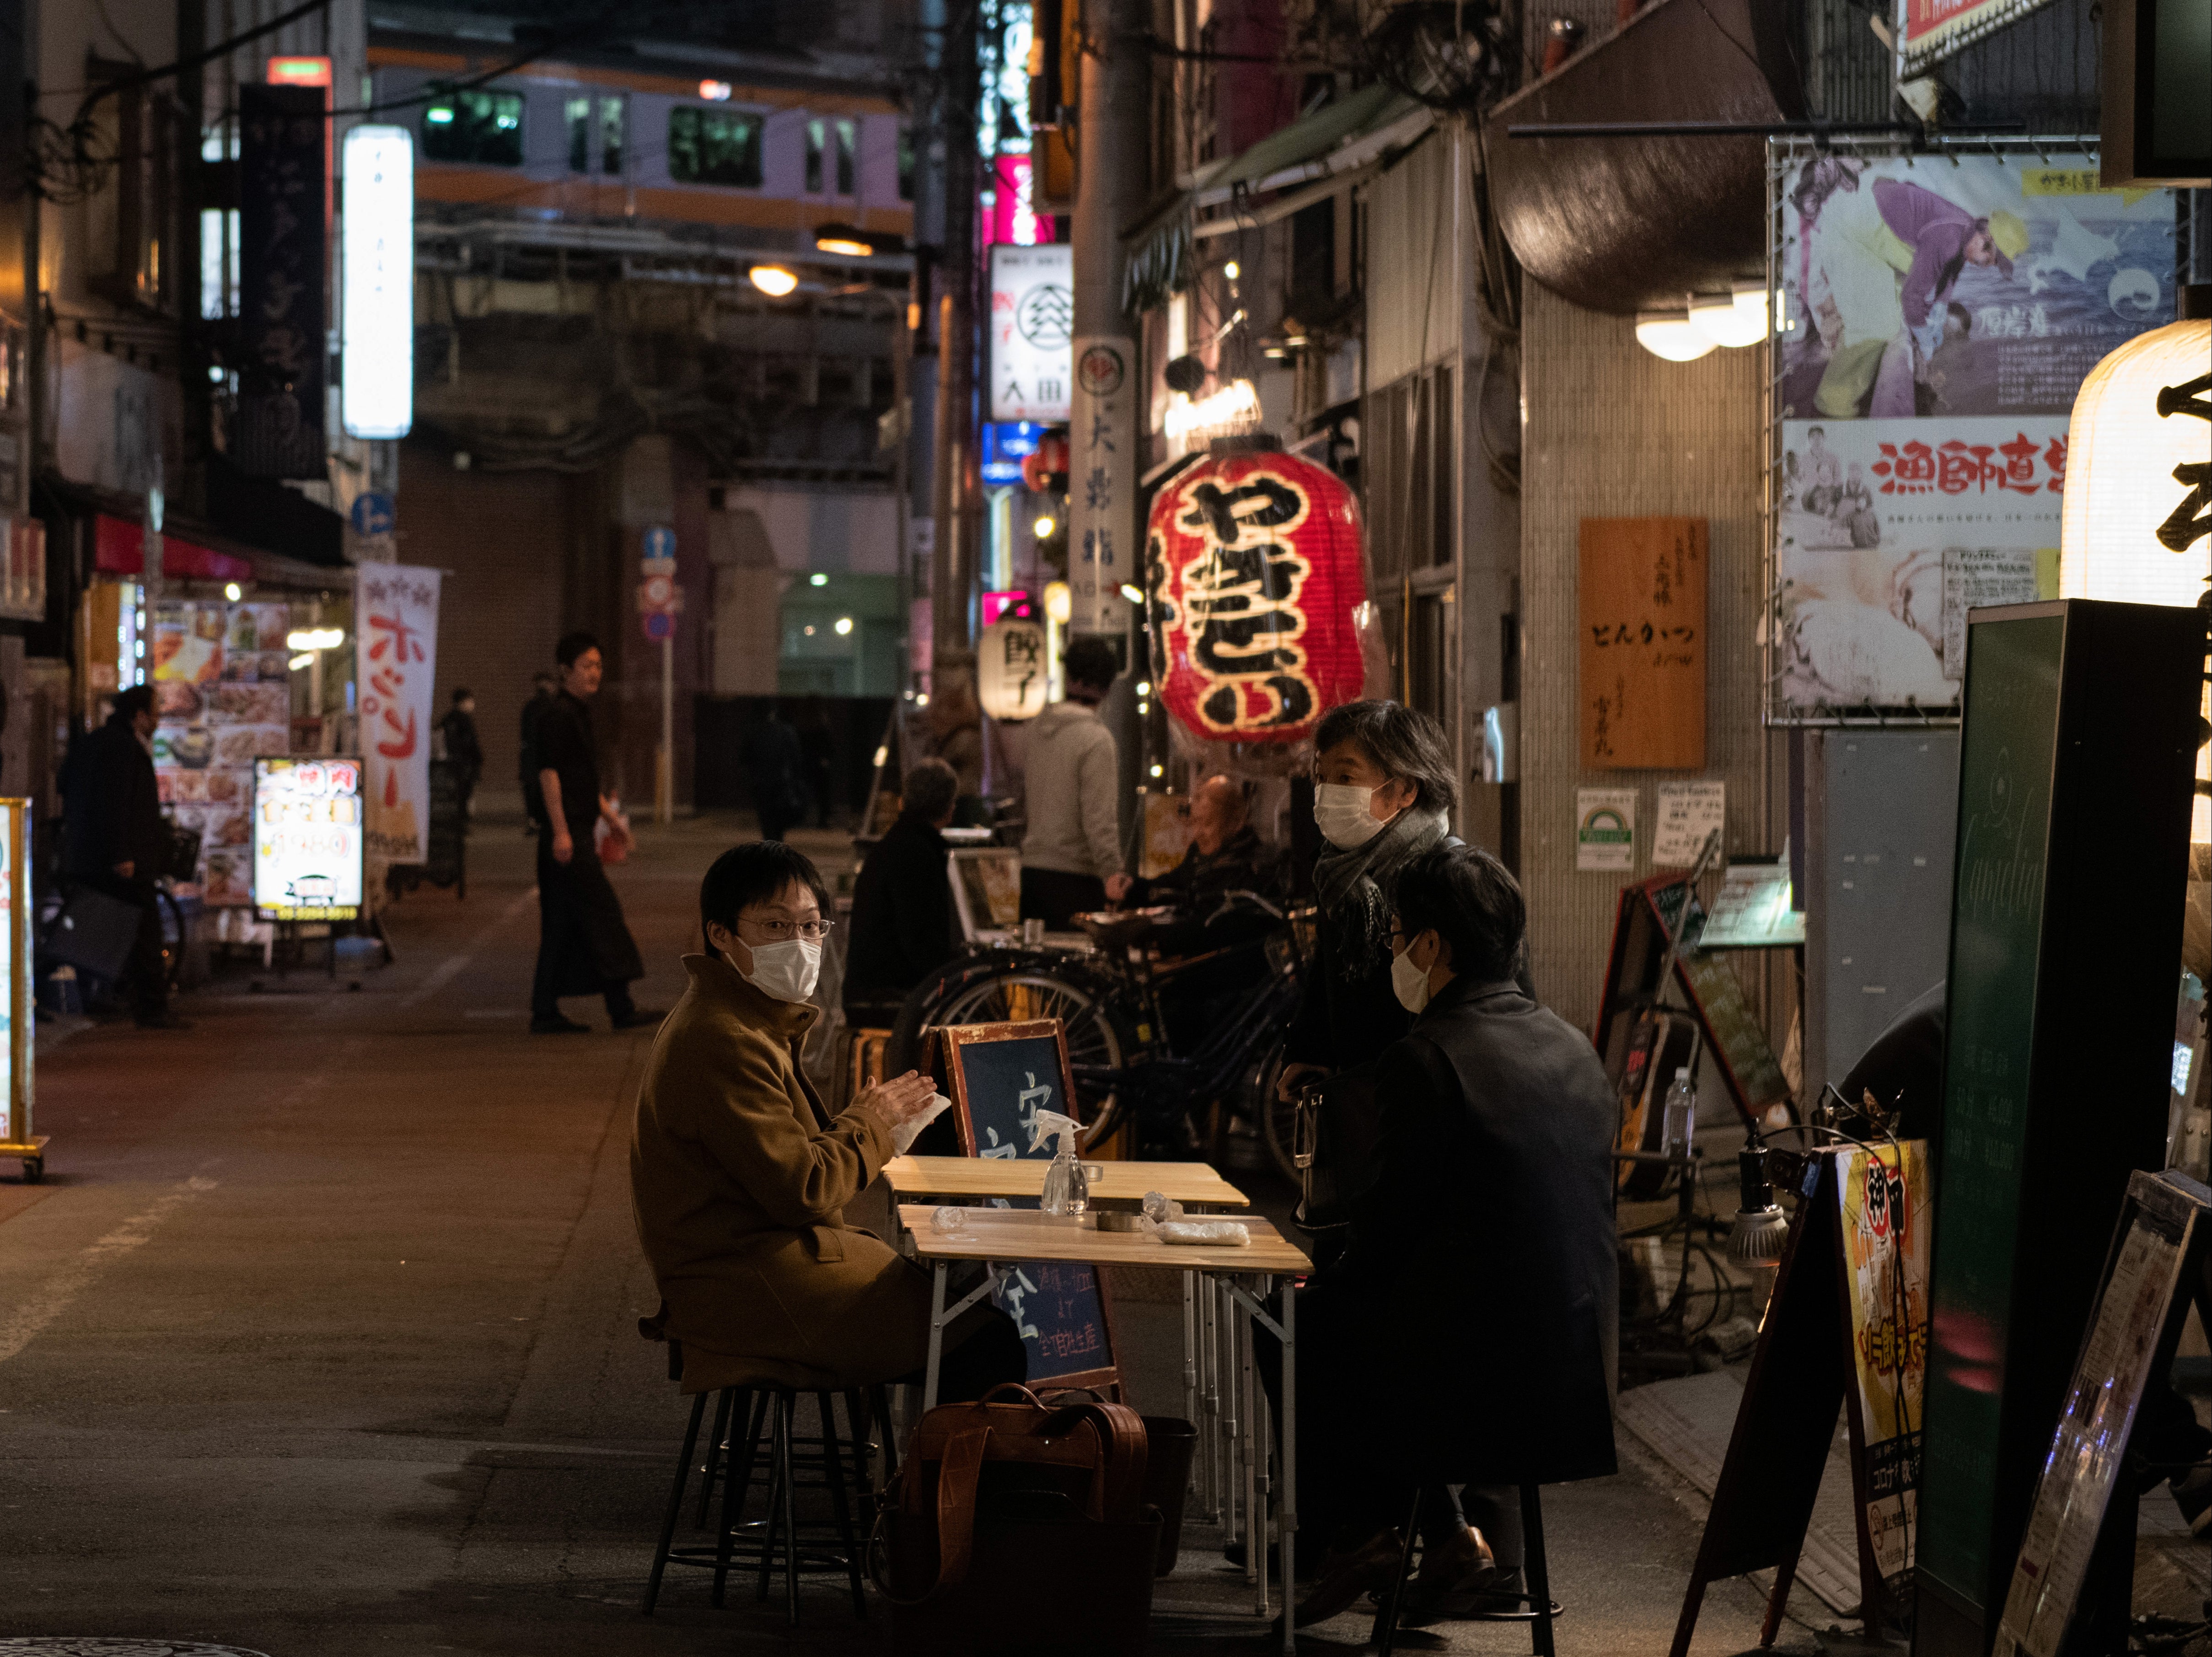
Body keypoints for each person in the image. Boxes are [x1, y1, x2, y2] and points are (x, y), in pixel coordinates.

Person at [1268, 844, 1617, 1629]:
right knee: (1345, 1316)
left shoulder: (1426, 1058)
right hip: (1579, 1372)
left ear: (1433, 946)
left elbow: (1387, 1228)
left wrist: (1324, 1280)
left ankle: (1370, 1535)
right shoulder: (1573, 1045)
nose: (1393, 950)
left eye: (1397, 936)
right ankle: (1441, 1538)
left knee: (1291, 1323)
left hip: (1478, 1383)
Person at [630, 840, 1025, 1399]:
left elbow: (780, 1160)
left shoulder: (742, 1020)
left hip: (758, 1264)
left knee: (959, 1307)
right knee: (987, 1339)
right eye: (775, 925)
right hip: (748, 1285)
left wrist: (872, 1121)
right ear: (721, 935)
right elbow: (804, 1188)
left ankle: (931, 1481)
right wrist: (871, 1123)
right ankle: (950, 1486)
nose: (800, 944)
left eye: (813, 926)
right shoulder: (725, 1039)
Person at [1277, 700, 1461, 1107]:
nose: (1326, 793)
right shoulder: (1337, 873)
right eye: (1322, 777)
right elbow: (1329, 968)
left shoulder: (1452, 879)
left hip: (1430, 1100)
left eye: (1345, 776)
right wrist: (1308, 1052)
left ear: (1405, 789)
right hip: (1359, 1096)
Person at [529, 632, 658, 1034]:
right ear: (565, 671)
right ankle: (620, 1008)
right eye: (587, 666)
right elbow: (549, 775)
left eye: (599, 666)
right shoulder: (557, 715)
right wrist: (561, 832)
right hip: (568, 839)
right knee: (602, 914)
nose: (595, 673)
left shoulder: (578, 713)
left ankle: (546, 1011)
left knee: (561, 924)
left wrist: (611, 817)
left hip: (576, 832)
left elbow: (581, 779)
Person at [58, 686, 185, 1029]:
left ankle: (96, 996)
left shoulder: (92, 742)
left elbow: (64, 785)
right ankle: (151, 1008)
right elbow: (116, 805)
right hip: (122, 861)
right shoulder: (124, 749)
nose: (158, 721)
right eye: (155, 713)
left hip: (87, 857)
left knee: (96, 929)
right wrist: (123, 854)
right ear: (139, 715)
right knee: (144, 932)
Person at [1019, 636, 1130, 928]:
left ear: (1067, 677)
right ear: (1107, 689)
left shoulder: (1035, 731)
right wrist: (1112, 873)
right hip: (1074, 879)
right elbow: (1100, 819)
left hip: (1031, 874)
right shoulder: (1097, 740)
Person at [842, 758, 961, 1028]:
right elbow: (922, 942)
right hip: (886, 995)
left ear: (903, 802)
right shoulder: (918, 854)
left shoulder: (895, 844)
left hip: (866, 987)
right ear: (949, 809)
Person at [741, 702, 805, 843]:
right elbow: (796, 757)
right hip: (782, 781)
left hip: (761, 781)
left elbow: (745, 757)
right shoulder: (786, 731)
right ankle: (777, 841)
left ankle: (769, 841)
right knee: (780, 813)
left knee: (766, 816)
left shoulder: (754, 732)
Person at [518, 671, 556, 822]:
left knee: (532, 788)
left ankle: (533, 819)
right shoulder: (554, 706)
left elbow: (525, 734)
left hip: (532, 755)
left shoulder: (530, 707)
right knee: (545, 788)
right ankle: (543, 818)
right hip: (548, 755)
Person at [440, 687, 483, 817]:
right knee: (464, 794)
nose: (472, 704)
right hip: (465, 762)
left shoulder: (448, 719)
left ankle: (458, 822)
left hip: (452, 761)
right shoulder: (464, 719)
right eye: (470, 701)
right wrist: (478, 758)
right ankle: (461, 822)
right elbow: (470, 742)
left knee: (457, 794)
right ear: (463, 702)